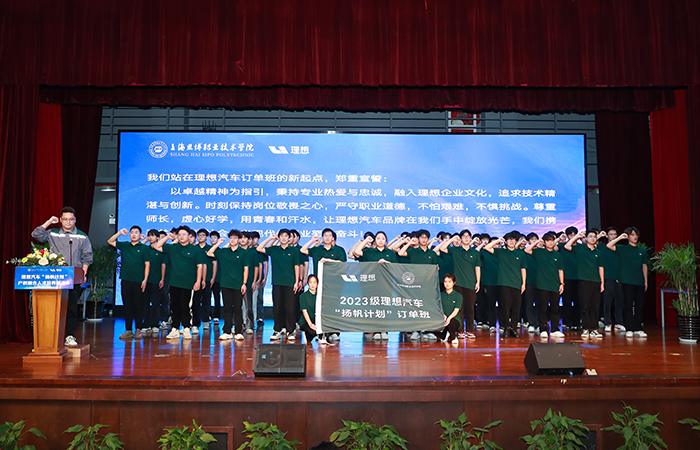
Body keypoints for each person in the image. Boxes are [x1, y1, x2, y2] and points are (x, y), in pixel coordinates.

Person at [32, 206, 93, 347]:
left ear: (75, 220)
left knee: (71, 307)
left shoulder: (82, 236)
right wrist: (48, 222)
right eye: (65, 219)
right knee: (54, 307)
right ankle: (52, 336)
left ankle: (69, 335)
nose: (68, 222)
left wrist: (83, 274)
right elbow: (36, 234)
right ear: (60, 220)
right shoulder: (53, 233)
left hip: (74, 278)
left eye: (71, 219)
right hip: (55, 278)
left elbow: (87, 256)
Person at [152, 226, 204, 340]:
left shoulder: (195, 250)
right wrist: (167, 237)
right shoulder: (173, 247)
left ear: (189, 236)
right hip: (174, 282)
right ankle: (175, 329)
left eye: (184, 234)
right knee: (174, 306)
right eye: (179, 234)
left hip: (188, 283)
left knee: (185, 307)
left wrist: (198, 281)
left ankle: (186, 328)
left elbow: (199, 266)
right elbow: (156, 246)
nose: (181, 237)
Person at [434, 230, 481, 339]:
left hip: (471, 283)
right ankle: (461, 331)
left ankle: (470, 331)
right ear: (460, 239)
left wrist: (478, 281)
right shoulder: (455, 250)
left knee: (470, 308)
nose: (466, 238)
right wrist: (451, 239)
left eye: (468, 236)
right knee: (460, 308)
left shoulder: (475, 253)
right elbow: (442, 248)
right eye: (463, 236)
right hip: (459, 283)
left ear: (471, 238)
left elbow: (477, 267)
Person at [257, 229, 302, 341]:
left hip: (290, 283)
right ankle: (277, 330)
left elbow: (297, 266)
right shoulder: (274, 249)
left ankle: (290, 331)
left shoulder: (294, 251)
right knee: (277, 308)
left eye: (286, 236)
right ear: (279, 237)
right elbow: (259, 248)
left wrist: (297, 281)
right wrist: (270, 238)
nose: (284, 238)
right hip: (277, 283)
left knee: (290, 308)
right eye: (281, 236)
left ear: (289, 238)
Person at [353, 231, 398, 341]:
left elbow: (396, 267)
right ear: (375, 240)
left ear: (386, 240)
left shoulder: (390, 253)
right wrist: (365, 241)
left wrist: (386, 262)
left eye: (383, 238)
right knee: (374, 307)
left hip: (386, 284)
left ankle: (384, 330)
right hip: (371, 284)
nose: (380, 240)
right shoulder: (369, 252)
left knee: (384, 307)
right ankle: (376, 330)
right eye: (378, 238)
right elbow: (356, 252)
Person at [108, 227, 150, 340]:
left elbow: (147, 265)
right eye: (132, 233)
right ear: (129, 235)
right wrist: (120, 233)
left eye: (136, 233)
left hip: (139, 281)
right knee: (127, 306)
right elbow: (110, 241)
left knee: (138, 306)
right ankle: (128, 330)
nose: (134, 234)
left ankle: (138, 329)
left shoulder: (144, 248)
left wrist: (145, 279)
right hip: (126, 280)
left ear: (140, 235)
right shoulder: (125, 245)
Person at [607, 227, 649, 338]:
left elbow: (644, 266)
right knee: (628, 305)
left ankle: (638, 328)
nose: (635, 237)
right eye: (632, 235)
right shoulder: (623, 249)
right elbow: (609, 245)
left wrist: (645, 281)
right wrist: (620, 237)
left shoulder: (642, 251)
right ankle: (629, 328)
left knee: (639, 306)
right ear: (628, 236)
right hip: (627, 282)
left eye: (636, 235)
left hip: (639, 282)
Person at [208, 230, 249, 340]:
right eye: (231, 238)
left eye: (235, 238)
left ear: (239, 240)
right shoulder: (224, 252)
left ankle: (238, 331)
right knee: (227, 308)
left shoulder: (243, 252)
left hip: (238, 285)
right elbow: (210, 253)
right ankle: (227, 331)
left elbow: (246, 269)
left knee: (238, 308)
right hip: (226, 284)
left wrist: (244, 283)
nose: (233, 240)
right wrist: (219, 243)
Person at [484, 232, 527, 338]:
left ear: (516, 241)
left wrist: (523, 283)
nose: (511, 241)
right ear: (506, 241)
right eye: (509, 239)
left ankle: (513, 328)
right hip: (504, 283)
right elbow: (487, 247)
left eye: (513, 239)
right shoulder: (501, 252)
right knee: (505, 307)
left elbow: (523, 269)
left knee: (516, 308)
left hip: (517, 284)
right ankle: (505, 328)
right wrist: (498, 241)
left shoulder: (520, 254)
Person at [565, 229, 605, 338]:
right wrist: (577, 236)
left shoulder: (599, 253)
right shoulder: (580, 248)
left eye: (594, 237)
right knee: (585, 306)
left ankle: (594, 329)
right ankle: (586, 328)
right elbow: (567, 246)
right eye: (590, 236)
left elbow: (601, 268)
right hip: (584, 281)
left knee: (595, 306)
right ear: (586, 238)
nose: (592, 238)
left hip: (596, 281)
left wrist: (602, 282)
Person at [525, 232, 565, 339]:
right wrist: (537, 242)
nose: (550, 243)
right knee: (542, 309)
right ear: (544, 242)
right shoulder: (539, 252)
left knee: (555, 309)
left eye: (552, 240)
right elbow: (527, 250)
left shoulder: (558, 255)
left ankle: (555, 329)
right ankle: (543, 329)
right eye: (548, 240)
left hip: (555, 285)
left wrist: (562, 283)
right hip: (542, 286)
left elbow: (560, 270)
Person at [599, 227, 625, 332]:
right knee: (607, 302)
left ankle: (619, 323)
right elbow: (591, 243)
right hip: (607, 278)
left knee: (619, 302)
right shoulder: (602, 246)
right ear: (607, 236)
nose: (613, 236)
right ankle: (607, 322)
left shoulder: (620, 247)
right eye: (611, 234)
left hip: (619, 278)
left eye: (615, 234)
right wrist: (599, 236)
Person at [143, 229, 168, 333]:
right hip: (145, 281)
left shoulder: (161, 250)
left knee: (155, 303)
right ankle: (146, 324)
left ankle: (155, 324)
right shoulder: (145, 249)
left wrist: (162, 279)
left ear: (157, 237)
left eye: (153, 235)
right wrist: (145, 240)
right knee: (145, 303)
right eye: (149, 235)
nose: (151, 237)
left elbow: (163, 265)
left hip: (156, 280)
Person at [558, 226, 580, 331]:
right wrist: (558, 238)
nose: (573, 236)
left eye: (574, 234)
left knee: (578, 301)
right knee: (566, 301)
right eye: (570, 235)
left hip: (579, 277)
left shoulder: (581, 247)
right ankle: (567, 323)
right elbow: (552, 247)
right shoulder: (562, 246)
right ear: (567, 236)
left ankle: (577, 322)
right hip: (566, 278)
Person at [192, 228, 214, 334]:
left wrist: (208, 278)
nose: (200, 237)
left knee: (206, 300)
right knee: (195, 301)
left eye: (203, 235)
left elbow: (210, 264)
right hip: (194, 278)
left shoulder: (210, 249)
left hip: (207, 278)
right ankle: (195, 323)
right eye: (199, 235)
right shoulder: (194, 248)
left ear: (206, 237)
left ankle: (206, 320)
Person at [299, 274, 325, 344]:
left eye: (314, 282)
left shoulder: (320, 295)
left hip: (317, 320)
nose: (312, 284)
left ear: (317, 283)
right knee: (313, 332)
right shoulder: (303, 296)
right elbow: (304, 311)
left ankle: (320, 337)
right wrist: (310, 324)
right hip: (306, 321)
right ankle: (307, 335)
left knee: (323, 329)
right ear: (308, 283)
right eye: (310, 282)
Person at [439, 274, 462, 344]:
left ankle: (453, 337)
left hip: (454, 319)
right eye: (445, 281)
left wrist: (449, 318)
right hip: (442, 318)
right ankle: (444, 334)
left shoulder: (458, 296)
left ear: (454, 283)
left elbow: (456, 310)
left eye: (449, 281)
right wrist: (443, 316)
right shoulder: (440, 295)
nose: (447, 284)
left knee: (451, 324)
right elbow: (438, 308)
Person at [209, 230, 222, 325]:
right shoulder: (208, 250)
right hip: (207, 278)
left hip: (218, 278)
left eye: (215, 237)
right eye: (211, 237)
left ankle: (217, 316)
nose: (213, 239)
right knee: (207, 297)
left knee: (217, 297)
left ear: (218, 239)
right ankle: (208, 315)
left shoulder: (220, 251)